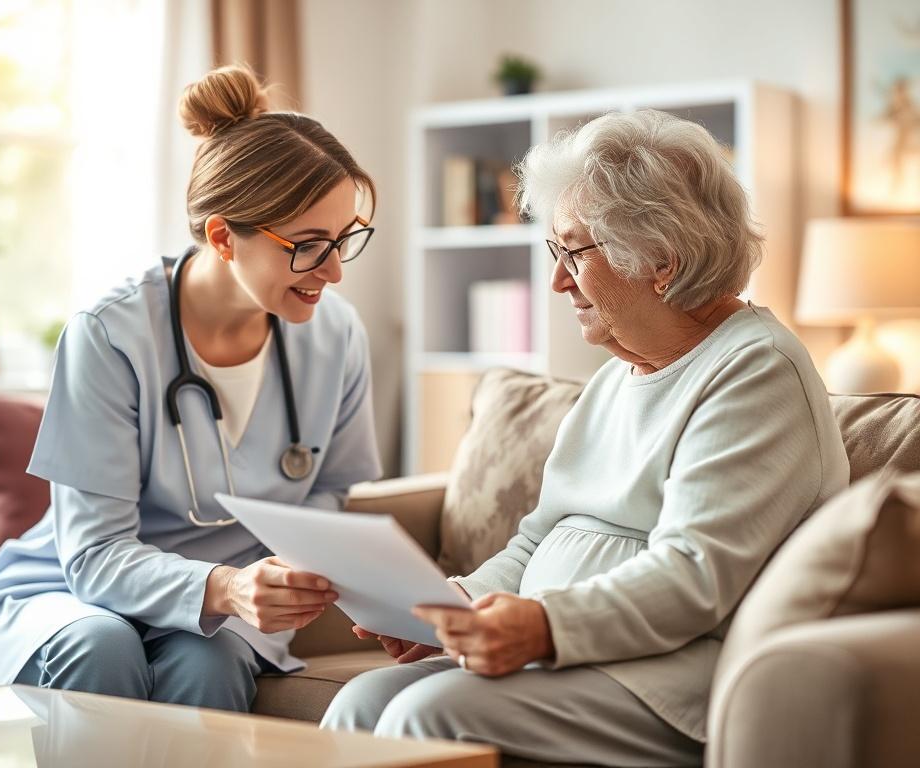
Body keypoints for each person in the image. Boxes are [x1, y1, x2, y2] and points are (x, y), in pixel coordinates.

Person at [322, 109, 850, 766]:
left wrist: (545, 627)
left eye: (573, 252)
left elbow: (694, 576)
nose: (556, 280)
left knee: (426, 715)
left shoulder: (754, 372)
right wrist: (455, 605)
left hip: (673, 678)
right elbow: (539, 539)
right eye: (555, 251)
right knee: (359, 704)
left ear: (661, 260)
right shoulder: (617, 377)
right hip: (576, 657)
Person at [0, 64, 382, 712]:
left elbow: (331, 490)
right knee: (102, 646)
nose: (336, 271)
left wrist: (287, 572)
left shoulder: (336, 338)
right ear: (221, 236)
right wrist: (227, 586)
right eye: (311, 245)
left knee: (210, 661)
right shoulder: (110, 338)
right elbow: (93, 554)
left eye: (346, 240)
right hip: (72, 589)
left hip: (225, 607)